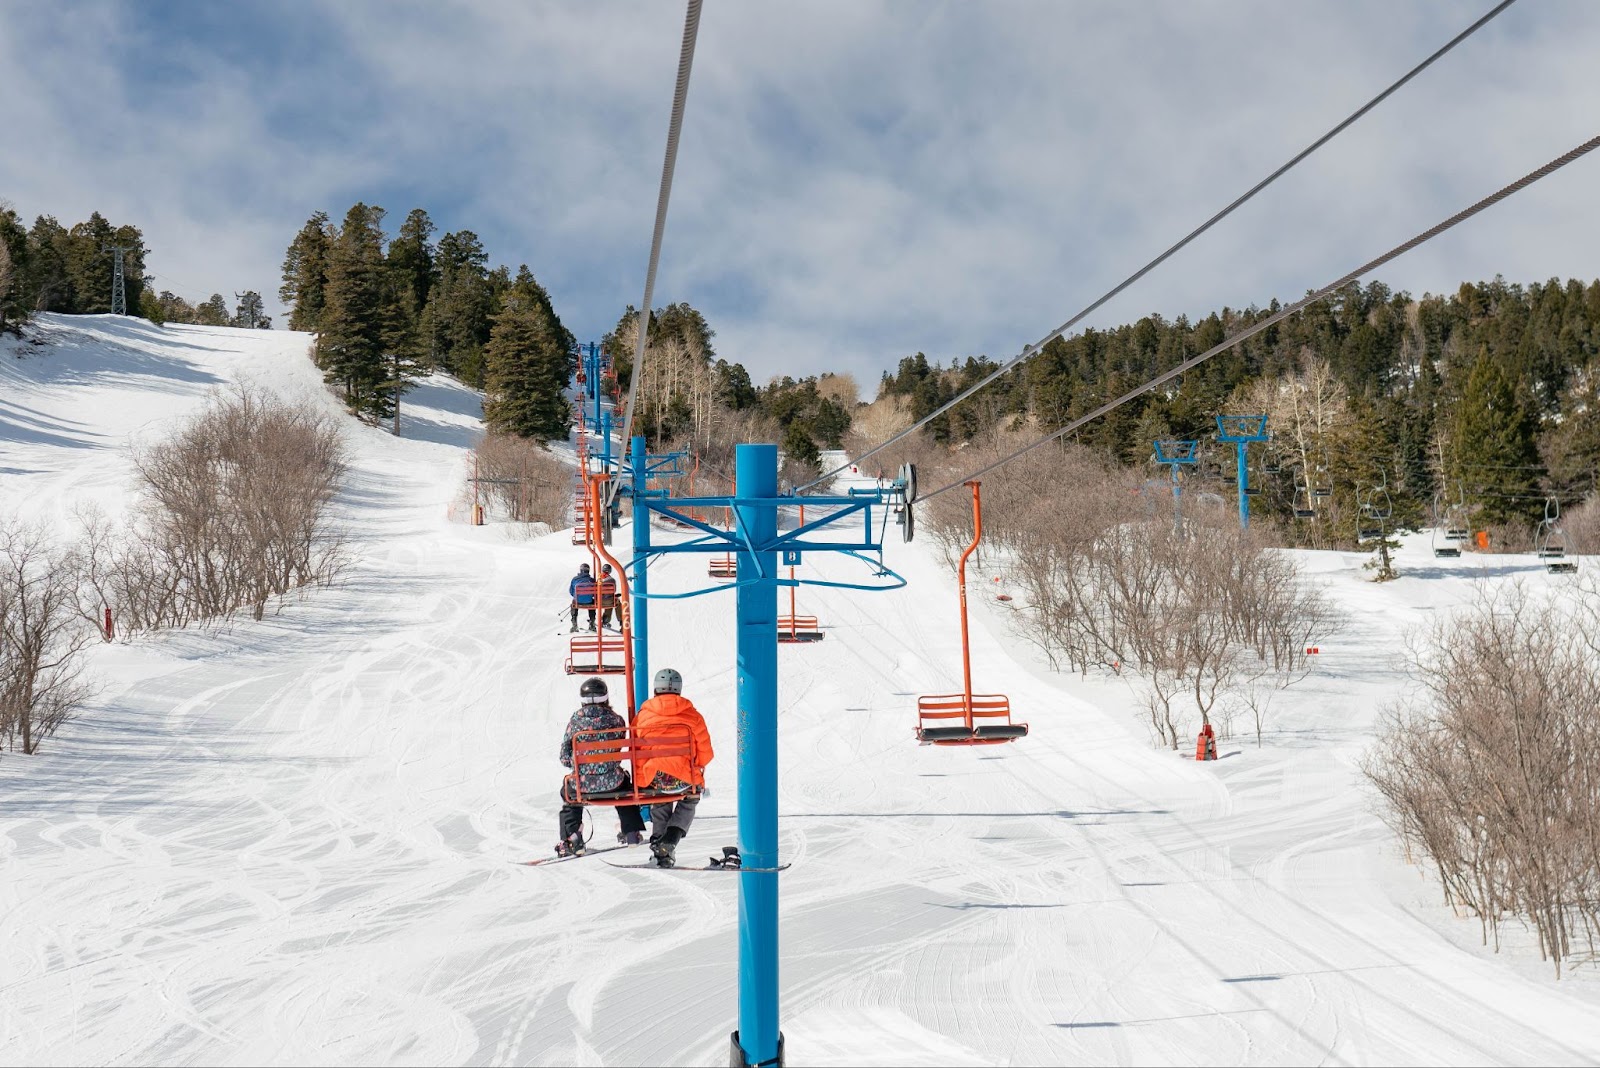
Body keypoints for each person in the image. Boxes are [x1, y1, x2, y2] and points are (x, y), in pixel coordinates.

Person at [632, 667, 714, 868]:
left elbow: (637, 750)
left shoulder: (643, 716)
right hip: (683, 779)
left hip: (654, 778)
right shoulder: (693, 716)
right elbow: (706, 753)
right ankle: (670, 838)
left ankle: (661, 850)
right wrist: (696, 768)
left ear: (656, 690)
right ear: (678, 690)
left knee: (660, 800)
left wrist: (644, 775)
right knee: (690, 799)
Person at [556, 677, 647, 856]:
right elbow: (621, 744)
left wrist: (578, 766)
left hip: (583, 785)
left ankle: (572, 837)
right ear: (605, 698)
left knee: (568, 792)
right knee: (625, 786)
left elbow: (565, 757)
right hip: (613, 782)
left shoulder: (575, 723)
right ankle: (631, 832)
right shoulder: (616, 721)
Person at [569, 563, 597, 632]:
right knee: (593, 602)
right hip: (589, 601)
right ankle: (592, 623)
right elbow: (595, 593)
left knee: (573, 603)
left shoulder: (575, 579)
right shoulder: (592, 580)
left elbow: (571, 591)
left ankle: (574, 624)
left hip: (578, 601)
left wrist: (576, 596)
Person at [598, 564, 619, 630]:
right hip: (608, 601)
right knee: (615, 603)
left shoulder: (599, 579)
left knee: (611, 601)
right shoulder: (612, 580)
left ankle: (592, 619)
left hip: (598, 601)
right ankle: (606, 621)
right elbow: (614, 590)